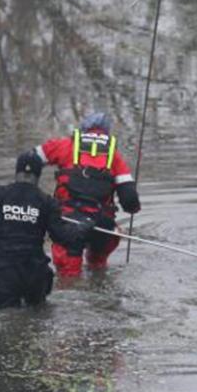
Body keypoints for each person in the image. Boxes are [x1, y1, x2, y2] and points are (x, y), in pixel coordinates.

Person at [0, 152, 90, 308]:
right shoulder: (47, 202)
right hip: (36, 275)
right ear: (38, 175)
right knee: (38, 319)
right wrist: (83, 227)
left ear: (17, 172)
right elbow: (63, 238)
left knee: (2, 321)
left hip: (7, 274)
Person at [30, 112, 140, 276]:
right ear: (106, 133)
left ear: (83, 130)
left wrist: (30, 193)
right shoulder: (114, 157)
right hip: (102, 227)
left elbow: (29, 159)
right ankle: (98, 272)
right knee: (98, 266)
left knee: (68, 276)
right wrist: (133, 208)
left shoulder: (64, 146)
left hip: (68, 224)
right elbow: (130, 200)